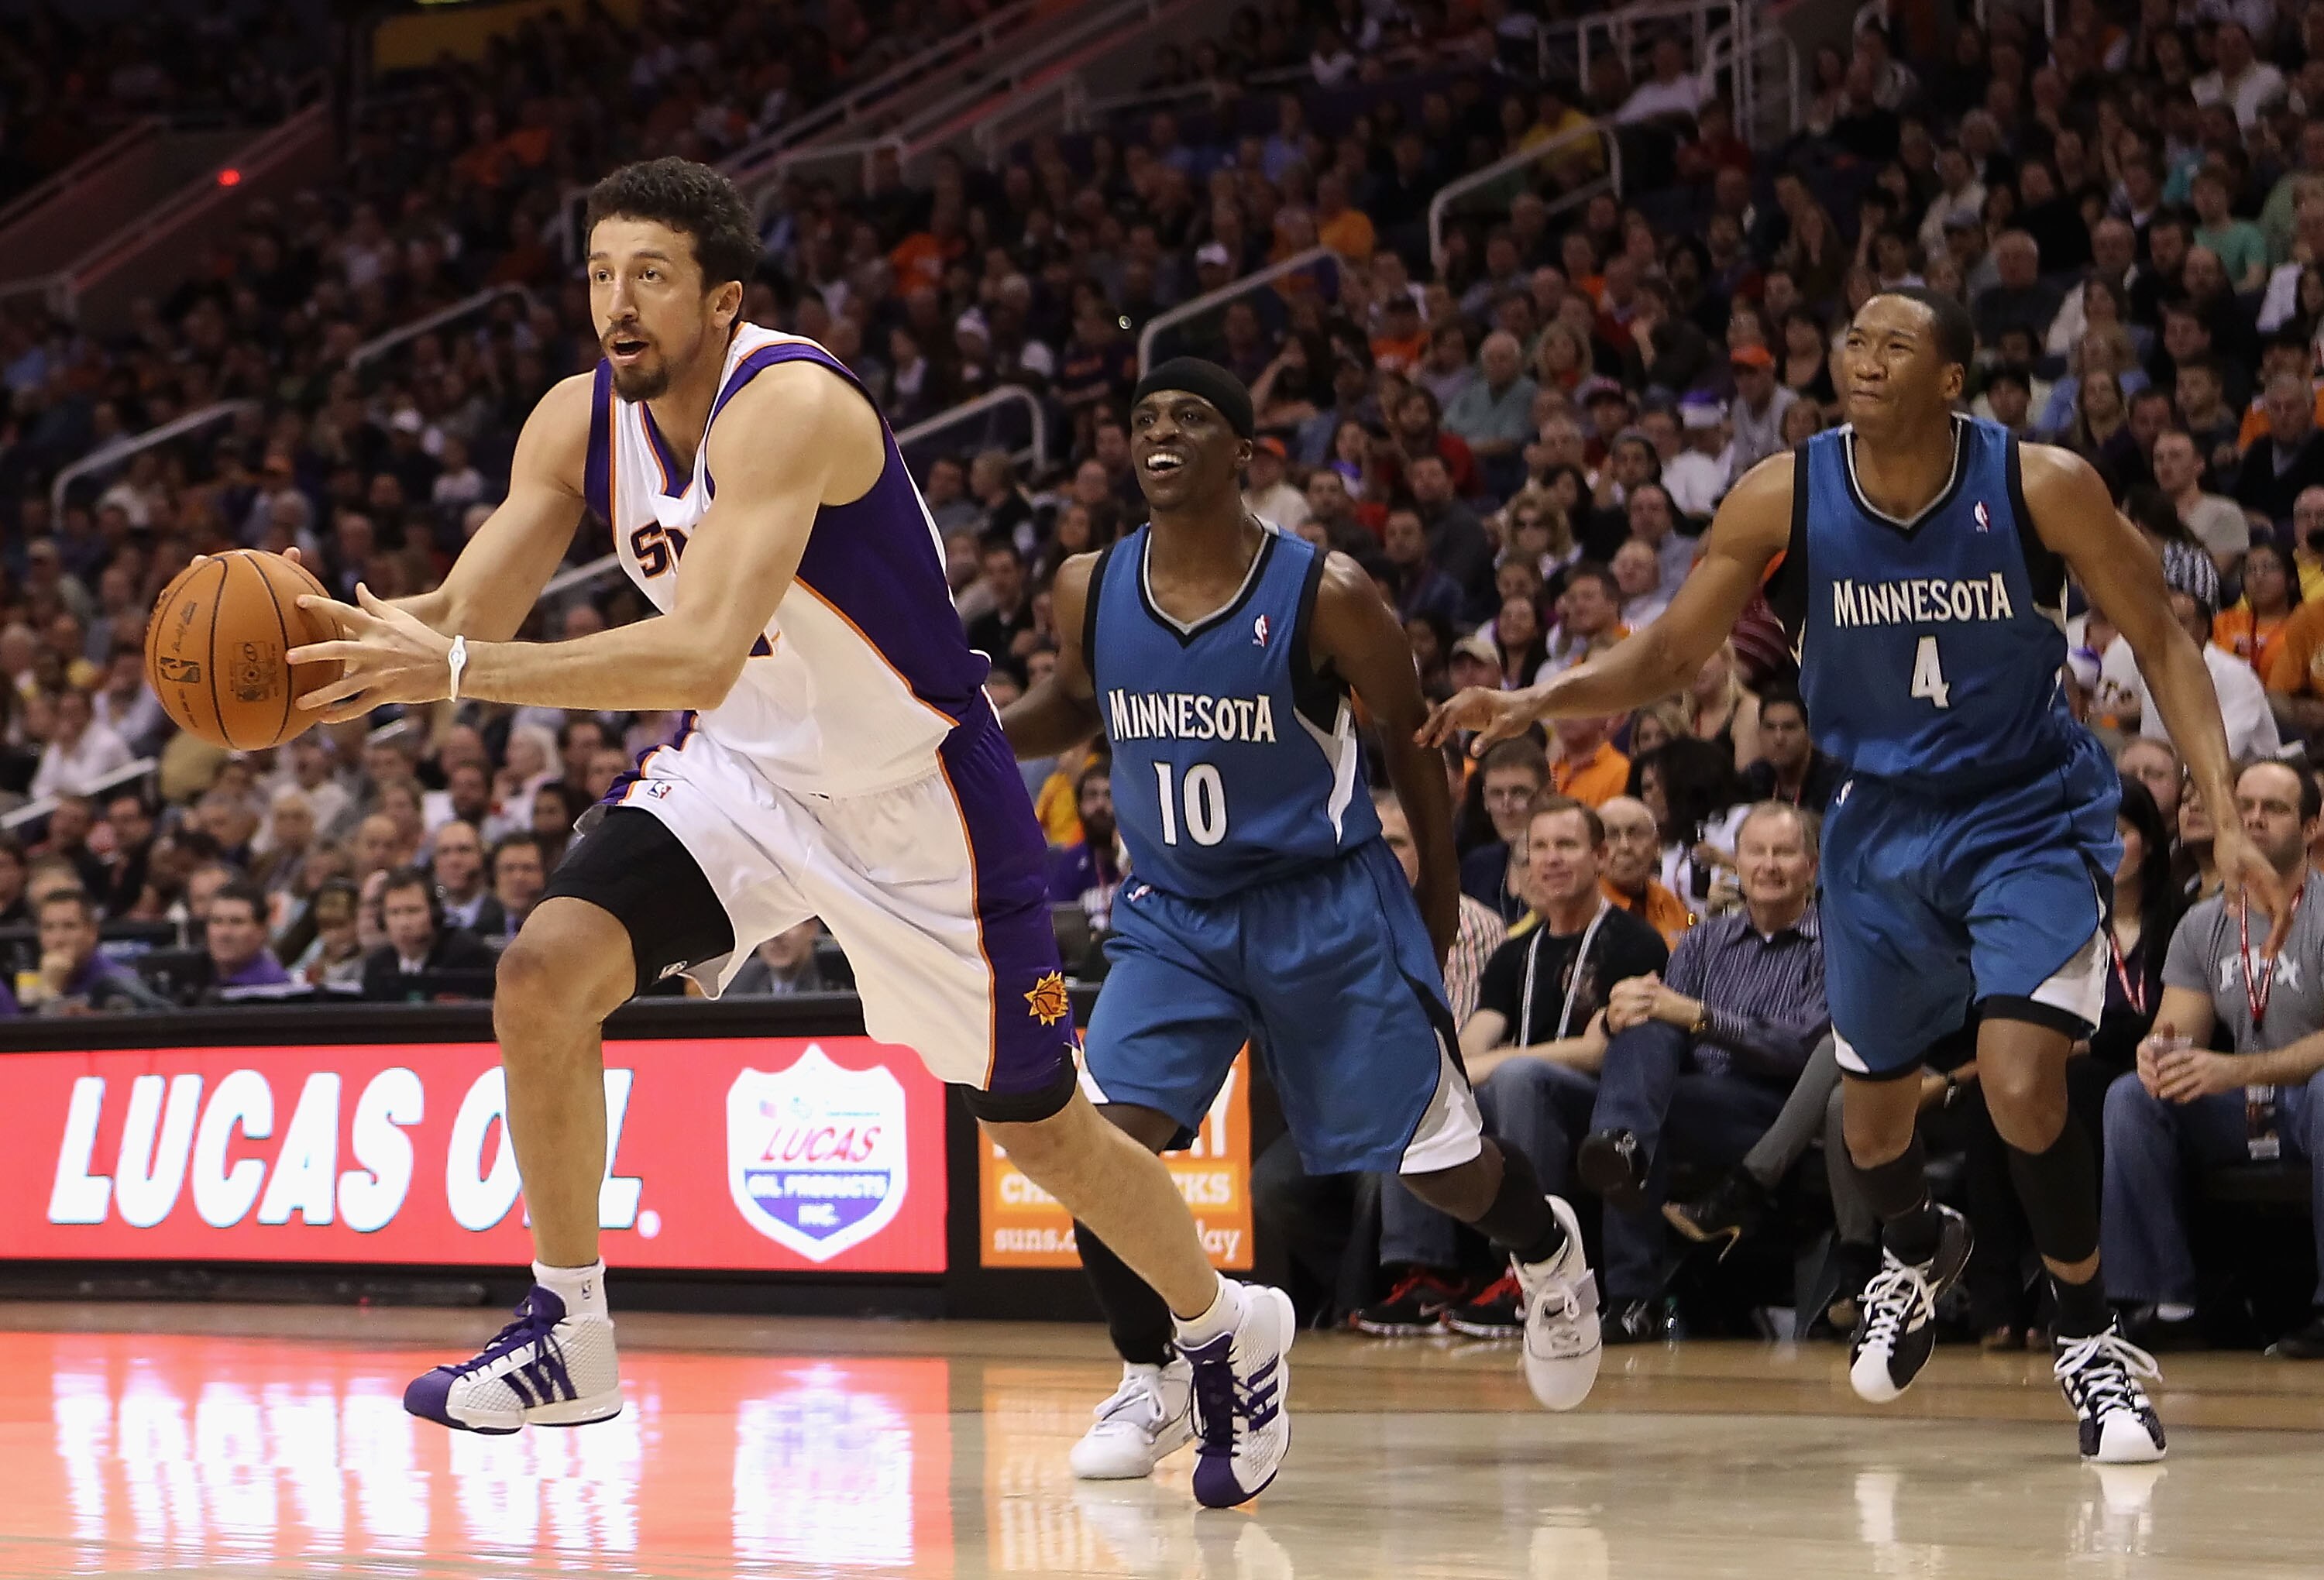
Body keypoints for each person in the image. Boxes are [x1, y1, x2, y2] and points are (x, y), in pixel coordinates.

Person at [290, 160, 1278, 1506]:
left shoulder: (792, 405)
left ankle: (1226, 1326)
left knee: (1043, 1129)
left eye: (650, 276)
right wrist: (329, 647)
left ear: (723, 299)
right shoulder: (575, 421)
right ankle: (569, 1328)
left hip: (915, 798)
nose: (617, 303)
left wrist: (454, 670)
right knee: (542, 972)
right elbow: (467, 610)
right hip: (745, 773)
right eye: (600, 274)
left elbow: (696, 647)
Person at [1424, 287, 2284, 1463]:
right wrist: (1538, 697)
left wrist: (2222, 811)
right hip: (1876, 824)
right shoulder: (1783, 493)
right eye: (1855, 342)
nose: (1865, 360)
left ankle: (2091, 1340)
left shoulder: (2041, 484)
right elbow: (1672, 650)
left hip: (2024, 811)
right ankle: (1920, 1248)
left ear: (1952, 380)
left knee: (2021, 1080)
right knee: (1869, 1132)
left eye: (1897, 345)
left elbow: (2167, 644)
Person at [1001, 359, 1605, 1488]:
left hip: (1323, 906)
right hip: (1175, 912)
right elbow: (1076, 702)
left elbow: (1415, 746)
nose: (1160, 432)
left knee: (1440, 1170)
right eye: (1144, 418)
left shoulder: (1327, 592)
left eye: (1190, 417)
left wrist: (1432, 912)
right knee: (1098, 1149)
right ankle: (1155, 1372)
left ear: (1245, 454)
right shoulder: (1090, 583)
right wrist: (976, 729)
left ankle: (1547, 1248)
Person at [1358, 798, 1668, 1337]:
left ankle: (1531, 1270)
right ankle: (1429, 1274)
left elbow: (1599, 1051)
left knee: (1516, 1079)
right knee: (1419, 1082)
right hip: (1518, 1091)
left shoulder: (1634, 941)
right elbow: (1471, 1044)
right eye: (1539, 848)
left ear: (1599, 857)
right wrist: (1444, 1070)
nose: (1551, 859)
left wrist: (1497, 1064)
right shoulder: (1515, 951)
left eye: (1566, 845)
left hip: (1599, 1104)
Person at [1577, 802, 1831, 1335]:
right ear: (1737, 862)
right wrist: (1627, 1012)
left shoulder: (1831, 945)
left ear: (1811, 867)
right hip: (1690, 1094)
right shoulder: (1703, 940)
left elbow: (1807, 1048)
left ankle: (1632, 1297)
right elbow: (1666, 1029)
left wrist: (1702, 1017)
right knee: (1645, 1031)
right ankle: (1620, 1142)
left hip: (1779, 1109)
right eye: (1756, 852)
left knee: (1645, 1116)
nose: (1769, 865)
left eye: (1784, 853)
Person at [2104, 761, 2324, 1358]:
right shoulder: (2204, 924)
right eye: (2244, 806)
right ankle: (2167, 1306)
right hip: (2242, 1107)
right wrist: (2158, 1054)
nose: (2253, 819)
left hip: (2309, 1101)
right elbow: (2178, 1029)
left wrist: (2238, 1070)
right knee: (2132, 1097)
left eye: (2274, 808)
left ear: (2311, 828)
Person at [361, 867, 497, 1000]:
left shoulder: (468, 956)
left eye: (412, 911)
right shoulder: (376, 967)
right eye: (394, 912)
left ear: (435, 913)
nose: (403, 923)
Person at [1741, 684, 1844, 812]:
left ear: (1810, 733)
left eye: (1789, 727)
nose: (1779, 738)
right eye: (1770, 727)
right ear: (1759, 733)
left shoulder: (1835, 782)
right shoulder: (1751, 780)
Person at [194, 880, 294, 1001]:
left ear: (262, 930)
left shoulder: (274, 990)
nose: (224, 933)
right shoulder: (191, 976)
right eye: (217, 921)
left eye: (237, 922)